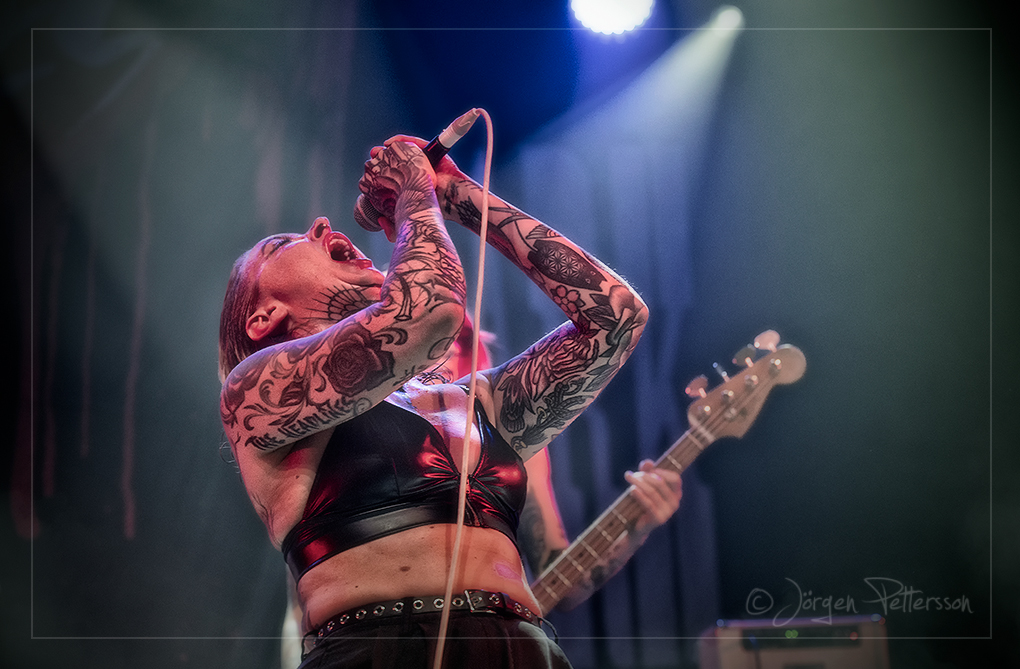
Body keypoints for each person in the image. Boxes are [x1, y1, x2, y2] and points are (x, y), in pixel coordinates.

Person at [218, 135, 648, 668]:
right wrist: (413, 190)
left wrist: (457, 193)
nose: (323, 225)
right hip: (378, 650)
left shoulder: (472, 402)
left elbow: (616, 317)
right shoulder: (254, 392)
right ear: (264, 318)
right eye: (283, 245)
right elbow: (431, 313)